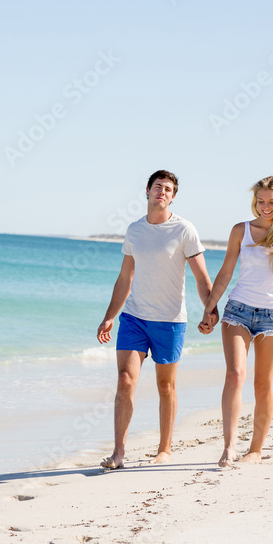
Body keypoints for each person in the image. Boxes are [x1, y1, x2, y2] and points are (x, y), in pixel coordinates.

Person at [97, 170, 215, 469]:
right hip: (134, 317)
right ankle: (119, 452)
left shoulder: (184, 230)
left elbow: (202, 277)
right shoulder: (135, 230)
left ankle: (165, 449)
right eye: (157, 187)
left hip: (170, 321)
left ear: (173, 196)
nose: (162, 192)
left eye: (168, 189)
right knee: (125, 380)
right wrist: (110, 316)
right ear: (147, 191)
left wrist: (210, 311)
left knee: (166, 386)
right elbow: (125, 277)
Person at [200, 175, 273, 467]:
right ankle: (229, 448)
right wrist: (209, 309)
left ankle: (255, 450)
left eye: (271, 201)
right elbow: (226, 272)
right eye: (260, 201)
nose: (265, 207)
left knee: (263, 385)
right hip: (237, 310)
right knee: (235, 374)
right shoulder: (241, 230)